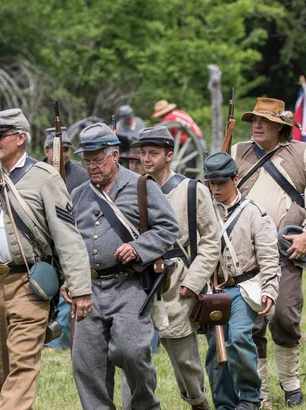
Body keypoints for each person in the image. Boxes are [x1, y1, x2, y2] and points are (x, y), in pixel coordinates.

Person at [0, 108, 92, 410]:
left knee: (23, 367)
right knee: (4, 372)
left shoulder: (46, 178)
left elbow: (68, 236)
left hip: (29, 284)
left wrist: (80, 289)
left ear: (20, 137)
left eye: (0, 135)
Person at [232, 98, 306, 407]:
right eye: (253, 120)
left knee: (285, 316)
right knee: (250, 323)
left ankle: (290, 380)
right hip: (245, 252)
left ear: (281, 126)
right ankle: (259, 389)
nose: (257, 125)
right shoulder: (238, 151)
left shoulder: (303, 153)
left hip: (285, 248)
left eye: (263, 121)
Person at [68, 123, 179, 410]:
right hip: (89, 288)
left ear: (115, 155)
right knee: (87, 364)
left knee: (132, 353)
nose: (92, 166)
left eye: (98, 159)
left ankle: (144, 406)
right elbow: (68, 241)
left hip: (129, 285)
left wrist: (139, 247)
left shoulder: (141, 186)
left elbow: (168, 228)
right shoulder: (79, 194)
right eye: (87, 160)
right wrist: (70, 279)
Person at [132, 126, 220, 410]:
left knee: (184, 358)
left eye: (153, 153)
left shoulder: (193, 190)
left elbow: (211, 241)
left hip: (178, 281)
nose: (146, 159)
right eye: (143, 153)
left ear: (169, 155)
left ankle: (198, 402)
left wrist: (193, 283)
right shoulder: (132, 190)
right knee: (131, 353)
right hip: (140, 279)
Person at [203, 152, 281, 410]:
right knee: (216, 346)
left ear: (235, 179)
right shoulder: (204, 212)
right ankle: (224, 403)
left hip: (244, 288)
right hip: (212, 291)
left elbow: (269, 257)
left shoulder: (255, 213)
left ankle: (249, 396)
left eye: (221, 183)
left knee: (238, 338)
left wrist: (269, 289)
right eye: (211, 183)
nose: (215, 189)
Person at [41, 127, 90, 350]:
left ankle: (62, 340)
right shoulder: (36, 172)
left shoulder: (81, 175)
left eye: (67, 149)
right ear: (46, 150)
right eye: (59, 149)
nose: (63, 154)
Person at [42, 126, 90, 193]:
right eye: (58, 149)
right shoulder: (36, 173)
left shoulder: (82, 176)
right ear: (47, 151)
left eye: (66, 150)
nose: (62, 155)